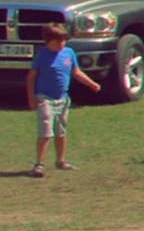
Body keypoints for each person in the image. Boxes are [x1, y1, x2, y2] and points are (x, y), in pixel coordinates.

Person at [27, 22, 100, 177]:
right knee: (46, 132)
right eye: (57, 41)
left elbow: (76, 72)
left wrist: (92, 84)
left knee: (61, 132)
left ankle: (60, 161)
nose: (61, 44)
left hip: (63, 98)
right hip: (44, 98)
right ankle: (39, 164)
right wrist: (31, 97)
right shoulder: (42, 55)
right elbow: (31, 77)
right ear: (48, 41)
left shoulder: (69, 53)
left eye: (63, 40)